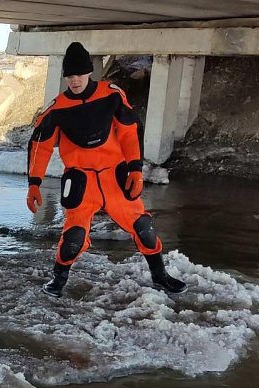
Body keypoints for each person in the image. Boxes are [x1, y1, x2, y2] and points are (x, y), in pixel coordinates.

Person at [26, 42, 187, 298]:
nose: (75, 80)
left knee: (143, 228)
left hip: (114, 175)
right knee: (73, 238)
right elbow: (39, 146)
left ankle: (160, 275)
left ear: (89, 72)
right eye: (70, 76)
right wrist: (34, 183)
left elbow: (128, 133)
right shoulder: (57, 108)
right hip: (81, 180)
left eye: (79, 74)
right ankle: (57, 280)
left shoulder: (111, 94)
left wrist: (135, 168)